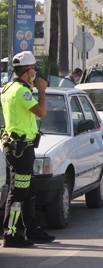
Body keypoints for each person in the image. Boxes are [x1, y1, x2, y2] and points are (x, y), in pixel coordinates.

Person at [1, 51, 55, 248]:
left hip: (18, 147)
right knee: (18, 193)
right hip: (21, 149)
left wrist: (31, 88)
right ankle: (11, 234)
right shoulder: (20, 91)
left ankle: (31, 229)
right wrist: (41, 91)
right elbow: (41, 111)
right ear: (28, 70)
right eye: (34, 70)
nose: (36, 73)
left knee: (29, 190)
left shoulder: (8, 87)